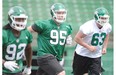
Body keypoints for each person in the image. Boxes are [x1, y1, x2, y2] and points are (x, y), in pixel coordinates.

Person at [28, 3, 72, 75]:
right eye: (58, 13)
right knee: (61, 73)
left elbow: (61, 45)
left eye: (63, 13)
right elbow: (27, 31)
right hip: (44, 56)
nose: (61, 15)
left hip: (56, 58)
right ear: (53, 13)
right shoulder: (44, 24)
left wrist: (68, 38)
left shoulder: (67, 27)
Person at [72, 7, 112, 75]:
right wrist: (88, 47)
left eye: (105, 18)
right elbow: (77, 38)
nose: (104, 20)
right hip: (82, 54)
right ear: (96, 17)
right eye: (102, 18)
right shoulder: (88, 26)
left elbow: (107, 35)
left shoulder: (107, 26)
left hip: (96, 55)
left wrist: (105, 47)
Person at [2, 6, 33, 75]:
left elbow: (28, 49)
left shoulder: (26, 33)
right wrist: (4, 63)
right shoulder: (3, 34)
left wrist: (28, 66)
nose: (21, 22)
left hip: (17, 70)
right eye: (18, 19)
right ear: (10, 19)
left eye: (23, 19)